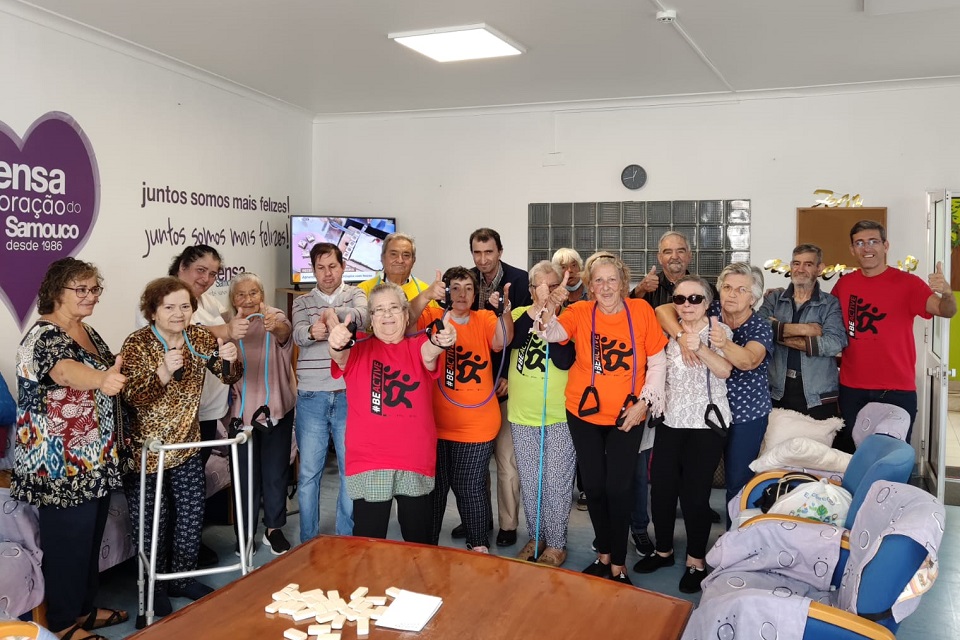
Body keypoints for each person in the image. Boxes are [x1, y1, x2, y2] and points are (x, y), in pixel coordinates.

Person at [13, 258, 128, 640]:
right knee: (67, 545)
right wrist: (101, 379)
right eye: (81, 289)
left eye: (95, 289)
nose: (91, 296)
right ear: (56, 291)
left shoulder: (86, 330)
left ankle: (83, 610)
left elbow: (105, 369)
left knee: (89, 541)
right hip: (60, 463)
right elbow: (64, 371)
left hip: (93, 457)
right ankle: (62, 624)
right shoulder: (43, 336)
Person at [535, 251, 667, 585]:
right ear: (590, 286)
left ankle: (619, 563)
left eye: (612, 280)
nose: (606, 287)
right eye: (598, 281)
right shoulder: (580, 311)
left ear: (623, 283)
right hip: (584, 413)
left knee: (619, 488)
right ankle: (604, 554)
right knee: (594, 487)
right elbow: (548, 333)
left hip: (628, 414)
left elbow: (658, 361)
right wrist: (550, 305)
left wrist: (644, 403)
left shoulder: (641, 311)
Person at [121, 277, 242, 614]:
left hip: (187, 445)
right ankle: (154, 586)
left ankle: (183, 579)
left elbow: (229, 376)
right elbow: (130, 396)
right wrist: (162, 372)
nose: (178, 313)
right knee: (152, 522)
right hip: (147, 452)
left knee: (191, 514)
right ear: (153, 311)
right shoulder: (137, 344)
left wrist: (230, 358)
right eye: (169, 307)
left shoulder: (199, 337)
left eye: (185, 306)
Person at [327, 282, 456, 542]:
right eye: (379, 310)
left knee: (419, 545)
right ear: (371, 319)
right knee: (369, 546)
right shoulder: (357, 346)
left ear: (406, 315)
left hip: (414, 460)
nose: (387, 314)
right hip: (369, 461)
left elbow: (431, 351)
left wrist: (442, 341)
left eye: (394, 308)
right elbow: (339, 354)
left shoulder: (418, 344)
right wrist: (336, 342)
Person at [149, 245, 248, 566]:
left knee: (192, 487)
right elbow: (183, 334)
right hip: (178, 416)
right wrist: (226, 331)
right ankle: (169, 556)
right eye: (200, 270)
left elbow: (225, 332)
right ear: (181, 267)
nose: (206, 278)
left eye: (213, 273)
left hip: (208, 409)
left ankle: (187, 548)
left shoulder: (209, 302)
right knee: (174, 489)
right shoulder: (159, 298)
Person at [634, 276, 732, 594]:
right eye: (680, 299)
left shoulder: (719, 331)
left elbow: (725, 370)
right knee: (661, 492)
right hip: (670, 421)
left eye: (695, 299)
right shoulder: (667, 329)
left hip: (705, 425)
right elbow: (660, 310)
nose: (686, 304)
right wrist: (680, 336)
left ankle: (696, 560)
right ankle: (663, 551)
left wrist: (698, 347)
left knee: (695, 496)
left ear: (707, 302)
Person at [658, 262, 773, 525]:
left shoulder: (760, 326)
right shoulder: (711, 309)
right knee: (697, 476)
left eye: (741, 290)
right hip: (705, 412)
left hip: (745, 413)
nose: (732, 294)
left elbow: (748, 361)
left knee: (736, 479)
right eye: (727, 287)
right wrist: (680, 337)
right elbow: (663, 310)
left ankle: (734, 536)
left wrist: (723, 343)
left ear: (753, 298)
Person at [629, 231, 722, 551]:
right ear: (659, 257)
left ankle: (695, 531)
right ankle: (649, 534)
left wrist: (690, 341)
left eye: (681, 250)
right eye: (668, 251)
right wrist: (640, 291)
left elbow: (724, 359)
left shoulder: (704, 291)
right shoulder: (648, 290)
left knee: (693, 480)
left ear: (690, 255)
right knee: (654, 474)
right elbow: (648, 315)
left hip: (700, 403)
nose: (674, 256)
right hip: (656, 393)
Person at [832, 220, 956, 452]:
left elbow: (946, 310)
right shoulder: (844, 284)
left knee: (892, 456)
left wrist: (947, 292)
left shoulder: (909, 284)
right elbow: (826, 318)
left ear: (886, 245)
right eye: (860, 243)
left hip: (897, 389)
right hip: (852, 388)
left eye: (873, 241)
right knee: (851, 456)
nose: (867, 248)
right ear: (852, 249)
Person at [420, 266, 514, 553]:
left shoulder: (484, 318)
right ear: (446, 292)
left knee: (469, 486)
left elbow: (502, 340)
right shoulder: (432, 317)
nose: (462, 294)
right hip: (434, 424)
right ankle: (428, 548)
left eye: (469, 288)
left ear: (476, 294)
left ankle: (479, 546)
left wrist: (505, 311)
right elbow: (406, 323)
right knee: (434, 490)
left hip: (476, 424)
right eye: (455, 288)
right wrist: (426, 295)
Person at [292, 242, 369, 541]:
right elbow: (298, 334)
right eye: (321, 268)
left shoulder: (355, 294)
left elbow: (363, 317)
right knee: (309, 473)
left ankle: (344, 538)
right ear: (313, 270)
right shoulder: (302, 301)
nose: (327, 273)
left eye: (333, 266)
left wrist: (330, 312)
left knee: (351, 470)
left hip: (349, 394)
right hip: (311, 395)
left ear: (343, 266)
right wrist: (313, 332)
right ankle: (308, 540)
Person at [507, 261, 577, 567]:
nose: (546, 291)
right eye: (541, 286)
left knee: (557, 482)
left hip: (559, 415)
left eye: (553, 285)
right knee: (530, 480)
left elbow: (563, 359)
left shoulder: (571, 317)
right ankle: (537, 536)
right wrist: (538, 309)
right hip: (523, 414)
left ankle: (557, 543)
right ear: (531, 289)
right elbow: (514, 340)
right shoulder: (519, 315)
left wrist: (552, 314)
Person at [467, 227, 531, 547]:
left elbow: (523, 333)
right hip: (472, 386)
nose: (483, 259)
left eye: (489, 252)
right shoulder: (466, 280)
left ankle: (508, 524)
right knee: (475, 462)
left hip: (505, 384)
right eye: (477, 253)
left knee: (506, 459)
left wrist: (506, 374)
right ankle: (478, 519)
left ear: (500, 252)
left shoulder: (519, 281)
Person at [225, 273, 296, 555]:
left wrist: (275, 327)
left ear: (262, 295)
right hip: (240, 415)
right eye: (241, 294)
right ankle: (244, 534)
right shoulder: (227, 325)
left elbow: (285, 333)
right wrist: (228, 335)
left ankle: (273, 529)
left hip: (275, 410)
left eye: (253, 293)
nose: (248, 299)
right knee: (244, 478)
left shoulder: (275, 316)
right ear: (233, 299)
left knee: (276, 474)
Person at [757, 243, 847, 421]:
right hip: (776, 391)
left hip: (818, 395)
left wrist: (778, 332)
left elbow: (834, 343)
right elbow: (759, 327)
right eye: (796, 263)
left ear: (819, 268)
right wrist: (805, 329)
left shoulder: (830, 304)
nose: (800, 269)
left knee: (816, 440)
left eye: (808, 264)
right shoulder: (774, 299)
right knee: (775, 439)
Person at [551, 248, 589, 513]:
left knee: (585, 435)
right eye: (563, 266)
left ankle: (585, 487)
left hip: (586, 371)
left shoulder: (591, 293)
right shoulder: (556, 295)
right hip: (560, 372)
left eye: (574, 265)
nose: (570, 271)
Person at [357, 232, 432, 301]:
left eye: (406, 255)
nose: (400, 260)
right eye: (393, 254)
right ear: (382, 258)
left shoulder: (427, 293)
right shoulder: (362, 291)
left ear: (413, 260)